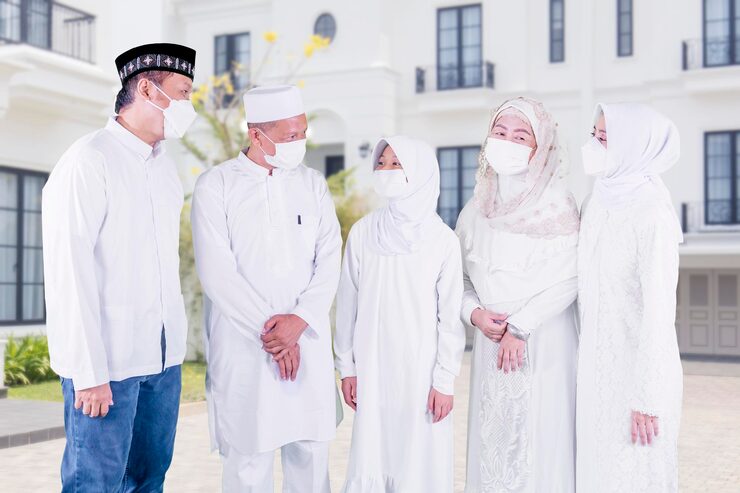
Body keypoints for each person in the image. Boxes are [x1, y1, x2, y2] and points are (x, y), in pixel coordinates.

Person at [42, 43, 197, 492]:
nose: (188, 107)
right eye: (182, 93)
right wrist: (88, 374)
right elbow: (69, 272)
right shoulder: (88, 160)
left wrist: (173, 353)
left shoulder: (165, 170)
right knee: (95, 483)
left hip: (162, 360)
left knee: (149, 479)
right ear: (146, 89)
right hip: (107, 363)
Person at [191, 85, 342, 492]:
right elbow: (218, 274)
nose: (300, 143)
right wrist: (276, 336)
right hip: (246, 347)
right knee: (247, 459)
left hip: (307, 341)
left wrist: (299, 321)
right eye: (290, 135)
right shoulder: (216, 186)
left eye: (303, 133)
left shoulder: (313, 184)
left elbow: (330, 260)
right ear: (256, 135)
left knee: (310, 455)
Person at [457, 97, 580, 492]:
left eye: (520, 136)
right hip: (491, 341)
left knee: (539, 439)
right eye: (500, 132)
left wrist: (521, 327)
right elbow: (458, 278)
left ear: (540, 146)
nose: (507, 142)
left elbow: (572, 277)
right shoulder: (475, 209)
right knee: (493, 442)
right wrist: (474, 314)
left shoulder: (557, 204)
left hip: (544, 339)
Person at [334, 136, 466, 492]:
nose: (386, 170)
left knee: (418, 455)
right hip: (373, 367)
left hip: (421, 371)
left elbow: (449, 317)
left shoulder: (442, 240)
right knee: (374, 453)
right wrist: (347, 367)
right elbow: (347, 305)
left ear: (420, 171)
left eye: (396, 163)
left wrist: (444, 380)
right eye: (381, 163)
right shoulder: (364, 233)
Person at [576, 103, 683, 492]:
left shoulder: (652, 214)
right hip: (594, 370)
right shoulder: (595, 201)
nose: (594, 146)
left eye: (605, 139)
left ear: (633, 146)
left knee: (634, 475)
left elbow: (659, 310)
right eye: (594, 135)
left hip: (638, 378)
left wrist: (647, 397)